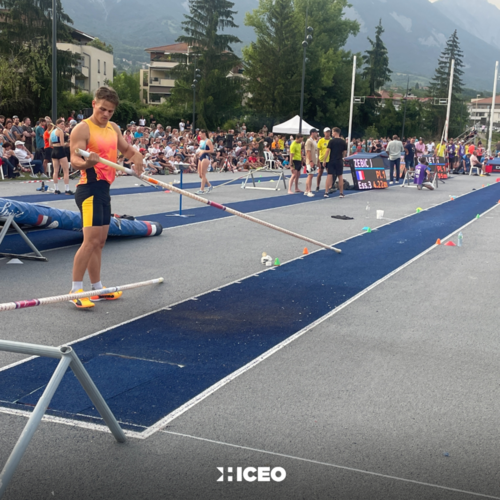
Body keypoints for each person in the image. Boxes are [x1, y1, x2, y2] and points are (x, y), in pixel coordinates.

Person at [69, 87, 144, 309]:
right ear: (94, 104)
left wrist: (137, 155)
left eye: (110, 111)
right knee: (90, 241)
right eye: (103, 109)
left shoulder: (113, 128)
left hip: (104, 190)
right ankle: (75, 290)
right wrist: (88, 163)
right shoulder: (82, 129)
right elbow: (75, 160)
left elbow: (128, 150)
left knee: (100, 243)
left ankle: (97, 288)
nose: (106, 114)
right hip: (89, 189)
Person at [50, 118, 73, 195]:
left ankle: (56, 189)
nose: (63, 126)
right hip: (60, 151)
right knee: (66, 170)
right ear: (57, 125)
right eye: (61, 124)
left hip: (54, 151)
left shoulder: (52, 132)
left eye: (63, 124)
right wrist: (69, 142)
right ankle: (67, 190)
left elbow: (50, 144)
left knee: (55, 171)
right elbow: (63, 144)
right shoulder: (60, 132)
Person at [323, 127, 347, 198]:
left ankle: (326, 192)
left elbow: (327, 151)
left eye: (332, 132)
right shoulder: (343, 142)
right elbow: (344, 152)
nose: (332, 134)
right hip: (339, 160)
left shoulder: (331, 141)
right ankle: (341, 193)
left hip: (332, 160)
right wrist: (342, 157)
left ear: (335, 132)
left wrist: (324, 160)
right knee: (340, 176)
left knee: (329, 175)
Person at [195, 129, 214, 194]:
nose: (199, 135)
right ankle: (209, 185)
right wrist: (198, 153)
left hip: (205, 157)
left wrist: (204, 151)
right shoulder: (201, 141)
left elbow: (212, 150)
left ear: (204, 134)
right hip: (201, 156)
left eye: (200, 134)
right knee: (200, 174)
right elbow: (200, 149)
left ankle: (202, 189)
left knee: (203, 174)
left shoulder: (208, 141)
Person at [304, 128, 319, 197]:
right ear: (312, 133)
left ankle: (307, 190)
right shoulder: (309, 141)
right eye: (316, 132)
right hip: (310, 161)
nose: (317, 134)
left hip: (313, 160)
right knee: (310, 175)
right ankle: (309, 190)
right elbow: (308, 152)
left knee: (310, 175)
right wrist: (311, 161)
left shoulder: (313, 141)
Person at [317, 128, 331, 192]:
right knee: (320, 173)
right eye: (326, 132)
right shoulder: (321, 140)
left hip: (329, 159)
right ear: (324, 133)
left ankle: (330, 186)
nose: (328, 133)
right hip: (322, 159)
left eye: (329, 132)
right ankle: (317, 185)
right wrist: (318, 159)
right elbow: (318, 150)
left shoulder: (331, 140)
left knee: (330, 173)